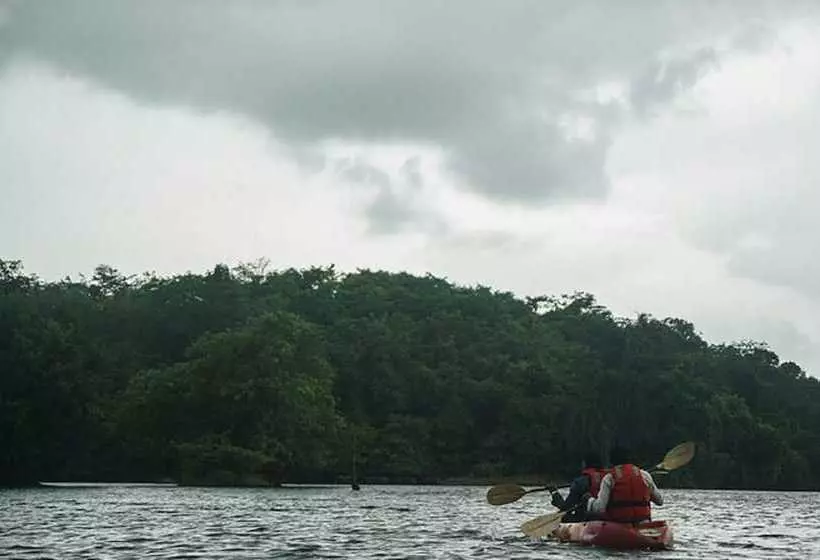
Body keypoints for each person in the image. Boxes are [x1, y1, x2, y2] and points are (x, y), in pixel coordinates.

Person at [586, 445, 663, 523]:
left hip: (619, 524)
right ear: (630, 459)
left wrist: (590, 500)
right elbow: (660, 501)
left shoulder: (609, 478)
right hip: (643, 522)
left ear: (611, 461)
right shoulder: (644, 475)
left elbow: (599, 509)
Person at [548, 451, 606, 522]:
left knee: (564, 516)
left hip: (585, 519)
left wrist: (554, 493)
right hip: (607, 518)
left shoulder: (580, 482)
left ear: (585, 464)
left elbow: (566, 508)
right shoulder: (609, 478)